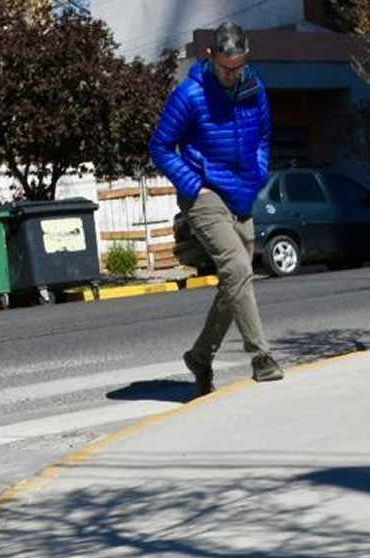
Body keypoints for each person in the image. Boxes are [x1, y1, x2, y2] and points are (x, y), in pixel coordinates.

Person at [150, 21, 282, 396]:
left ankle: (200, 356)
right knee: (238, 268)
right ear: (211, 57)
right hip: (205, 194)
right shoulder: (190, 95)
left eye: (237, 66)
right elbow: (160, 147)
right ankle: (261, 357)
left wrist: (257, 175)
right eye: (225, 66)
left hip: (241, 193)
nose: (231, 74)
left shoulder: (255, 90)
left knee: (234, 282)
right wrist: (194, 185)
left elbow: (265, 137)